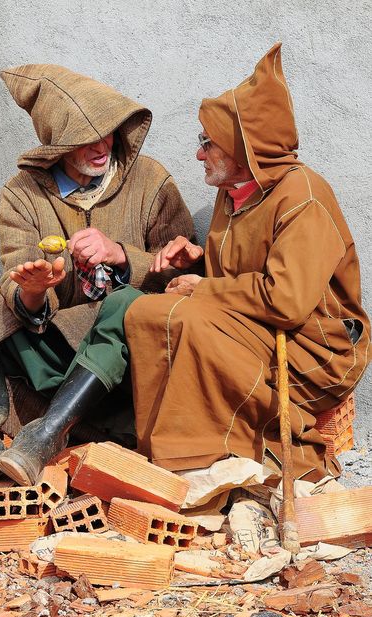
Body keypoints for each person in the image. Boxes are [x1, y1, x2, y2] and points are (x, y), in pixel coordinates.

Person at [0, 63, 195, 489]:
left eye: (109, 132)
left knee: (122, 302)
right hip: (60, 347)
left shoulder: (152, 182)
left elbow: (183, 272)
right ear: (57, 147)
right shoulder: (21, 193)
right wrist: (31, 292)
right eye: (85, 140)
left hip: (127, 357)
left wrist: (122, 256)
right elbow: (16, 275)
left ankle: (45, 436)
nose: (102, 146)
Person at [124, 43, 370, 482]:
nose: (199, 154)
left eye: (207, 143)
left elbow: (286, 301)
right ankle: (165, 447)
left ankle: (212, 456)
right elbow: (238, 277)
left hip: (313, 345)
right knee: (146, 312)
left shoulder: (302, 198)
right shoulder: (231, 191)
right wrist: (199, 264)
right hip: (252, 322)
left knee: (192, 320)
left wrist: (203, 288)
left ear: (243, 148)